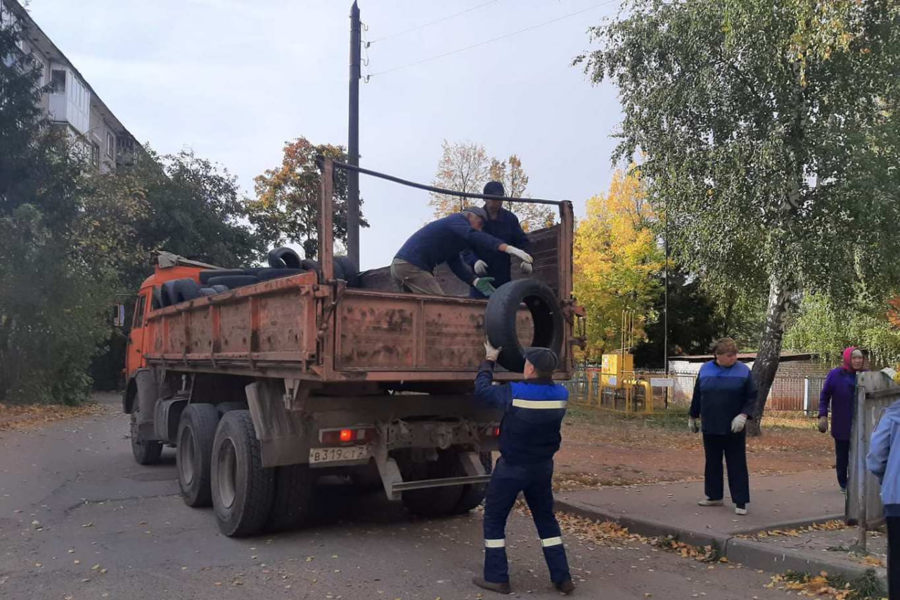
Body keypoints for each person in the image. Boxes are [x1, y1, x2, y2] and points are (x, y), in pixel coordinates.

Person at [471, 341, 574, 595]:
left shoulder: (515, 392)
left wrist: (489, 360)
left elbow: (482, 390)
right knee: (546, 521)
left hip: (512, 468)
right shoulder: (561, 394)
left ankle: (497, 577)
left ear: (530, 368)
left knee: (494, 519)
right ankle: (562, 577)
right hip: (541, 468)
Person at [391, 206, 533, 296]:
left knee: (414, 312)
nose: (480, 228)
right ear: (470, 216)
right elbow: (473, 235)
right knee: (438, 305)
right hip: (411, 266)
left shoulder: (455, 237)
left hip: (401, 266)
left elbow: (455, 262)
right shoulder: (456, 220)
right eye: (480, 224)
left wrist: (474, 281)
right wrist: (507, 248)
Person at [688, 337, 757, 515]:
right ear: (717, 355)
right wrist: (693, 416)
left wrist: (744, 415)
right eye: (729, 355)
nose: (733, 358)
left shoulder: (743, 371)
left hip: (734, 427)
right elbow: (698, 395)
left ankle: (740, 501)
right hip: (710, 424)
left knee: (736, 463)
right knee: (712, 462)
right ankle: (714, 496)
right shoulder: (705, 370)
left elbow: (752, 397)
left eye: (735, 354)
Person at [463, 181, 533, 298]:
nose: (497, 202)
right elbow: (465, 247)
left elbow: (522, 242)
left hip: (503, 278)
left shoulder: (510, 219)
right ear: (485, 198)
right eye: (493, 198)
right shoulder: (476, 218)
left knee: (502, 311)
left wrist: (527, 259)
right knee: (477, 311)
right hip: (481, 278)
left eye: (500, 198)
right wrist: (474, 262)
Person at [866, 397, 900, 597]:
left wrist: (887, 479)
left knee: (897, 560)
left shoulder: (894, 414)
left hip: (897, 499)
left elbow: (876, 456)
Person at [819, 347, 865, 493]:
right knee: (843, 456)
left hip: (863, 423)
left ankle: (860, 482)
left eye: (860, 358)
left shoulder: (866, 375)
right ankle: (843, 483)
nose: (858, 361)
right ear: (847, 359)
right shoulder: (836, 375)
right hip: (842, 422)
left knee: (861, 454)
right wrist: (823, 415)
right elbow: (824, 396)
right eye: (854, 358)